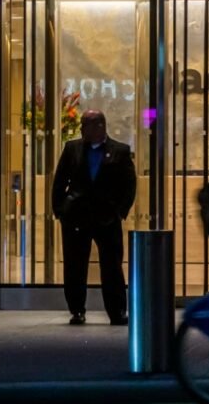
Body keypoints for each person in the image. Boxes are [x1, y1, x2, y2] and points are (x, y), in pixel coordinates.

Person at [51, 110, 136, 326]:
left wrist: (120, 211)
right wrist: (60, 210)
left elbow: (129, 184)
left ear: (100, 126)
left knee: (112, 266)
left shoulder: (120, 151)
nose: (81, 129)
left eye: (85, 125)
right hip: (76, 217)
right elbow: (60, 180)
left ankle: (117, 311)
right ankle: (77, 310)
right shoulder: (72, 149)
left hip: (107, 218)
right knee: (75, 265)